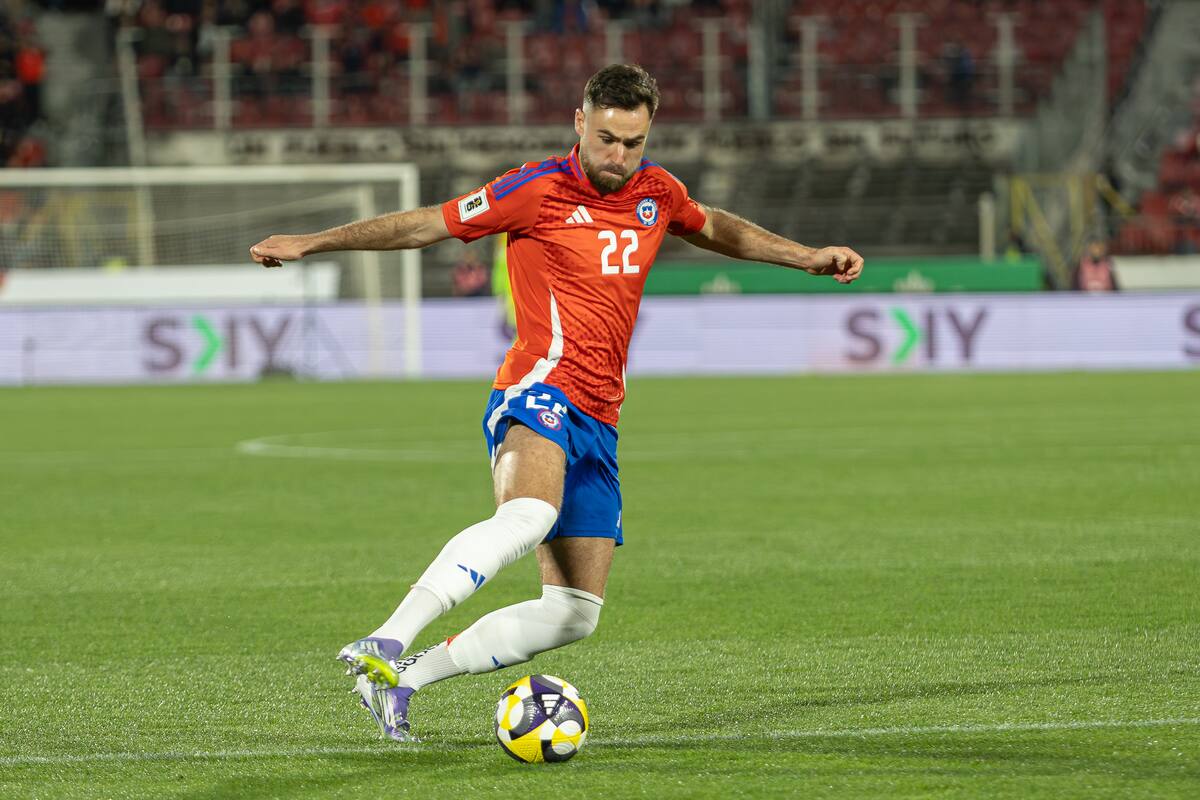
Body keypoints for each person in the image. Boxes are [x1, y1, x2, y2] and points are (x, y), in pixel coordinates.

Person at [249, 64, 864, 742]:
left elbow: (714, 226)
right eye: (607, 139)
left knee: (574, 613)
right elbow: (431, 223)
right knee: (529, 513)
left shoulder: (657, 191)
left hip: (602, 414)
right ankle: (387, 639)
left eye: (633, 142)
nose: (619, 157)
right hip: (538, 385)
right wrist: (313, 241)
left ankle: (399, 682)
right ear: (580, 122)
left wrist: (805, 256)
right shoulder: (536, 188)